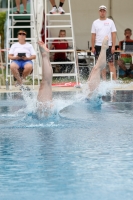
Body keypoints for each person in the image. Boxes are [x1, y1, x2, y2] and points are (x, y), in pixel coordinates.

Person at [37, 36, 109, 105]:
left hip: (84, 104)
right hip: (88, 104)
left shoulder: (65, 42)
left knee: (45, 83)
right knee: (96, 70)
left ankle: (44, 55)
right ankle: (103, 50)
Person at [91, 5, 117, 80]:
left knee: (111, 63)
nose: (102, 12)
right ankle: (104, 81)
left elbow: (113, 34)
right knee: (101, 65)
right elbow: (93, 35)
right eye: (101, 11)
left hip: (108, 45)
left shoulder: (110, 22)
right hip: (98, 45)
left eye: (104, 11)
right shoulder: (95, 22)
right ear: (99, 12)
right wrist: (93, 47)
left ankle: (115, 81)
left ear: (106, 12)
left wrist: (113, 46)